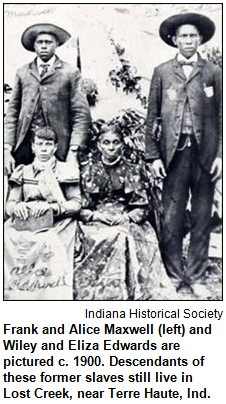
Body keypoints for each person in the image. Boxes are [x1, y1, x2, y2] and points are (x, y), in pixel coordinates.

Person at [145, 13, 222, 295]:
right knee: (172, 217)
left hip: (205, 156)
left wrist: (220, 156)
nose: (188, 40)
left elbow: (222, 116)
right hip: (173, 156)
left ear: (200, 39)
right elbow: (152, 117)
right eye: (183, 36)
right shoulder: (162, 72)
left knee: (202, 216)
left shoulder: (213, 71)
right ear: (174, 40)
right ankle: (174, 275)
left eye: (193, 36)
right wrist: (152, 157)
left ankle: (197, 278)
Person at [73, 125, 177, 300]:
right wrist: (96, 216)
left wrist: (126, 217)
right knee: (94, 236)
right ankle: (97, 289)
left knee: (124, 236)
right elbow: (81, 206)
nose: (111, 147)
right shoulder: (88, 170)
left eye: (115, 142)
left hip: (127, 218)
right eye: (106, 143)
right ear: (99, 146)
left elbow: (142, 207)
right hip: (96, 219)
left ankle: (124, 290)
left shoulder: (132, 169)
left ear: (122, 145)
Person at [4, 127, 81, 300]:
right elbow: (10, 203)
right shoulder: (23, 171)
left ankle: (50, 295)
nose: (44, 149)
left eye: (48, 144)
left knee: (48, 242)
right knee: (6, 237)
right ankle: (16, 294)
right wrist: (17, 207)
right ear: (33, 147)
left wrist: (52, 208)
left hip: (57, 222)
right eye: (40, 144)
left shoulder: (66, 170)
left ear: (55, 147)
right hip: (26, 221)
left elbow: (76, 204)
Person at [4, 23, 91, 175]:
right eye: (40, 42)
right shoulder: (23, 72)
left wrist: (73, 152)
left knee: (58, 192)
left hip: (58, 148)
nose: (44, 46)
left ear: (57, 44)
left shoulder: (70, 72)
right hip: (24, 147)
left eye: (48, 42)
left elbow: (81, 114)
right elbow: (12, 113)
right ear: (34, 46)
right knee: (21, 191)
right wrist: (6, 150)